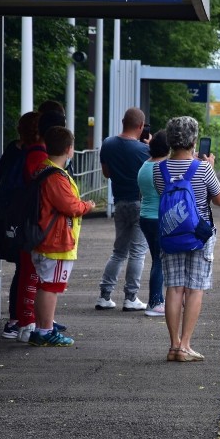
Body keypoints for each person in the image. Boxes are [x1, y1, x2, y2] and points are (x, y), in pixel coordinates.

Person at [153, 116, 220, 362]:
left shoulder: (158, 168)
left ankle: (173, 346)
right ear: (194, 140)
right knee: (194, 289)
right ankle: (185, 346)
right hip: (199, 235)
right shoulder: (203, 168)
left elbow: (163, 194)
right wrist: (210, 169)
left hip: (170, 233)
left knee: (173, 288)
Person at [29, 126, 97, 346]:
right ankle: (45, 330)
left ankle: (41, 327)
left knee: (45, 284)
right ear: (69, 149)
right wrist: (88, 205)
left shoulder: (42, 169)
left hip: (45, 240)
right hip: (56, 242)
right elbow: (70, 206)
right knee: (51, 286)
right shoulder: (56, 177)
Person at [15, 106, 69, 342]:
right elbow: (66, 203)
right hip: (43, 230)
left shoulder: (26, 154)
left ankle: (35, 322)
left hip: (34, 225)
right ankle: (30, 323)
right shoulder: (41, 159)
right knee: (39, 280)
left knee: (34, 276)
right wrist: (84, 206)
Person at [96, 107, 150, 311]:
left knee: (119, 251)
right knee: (137, 252)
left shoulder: (108, 144)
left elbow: (107, 173)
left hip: (119, 203)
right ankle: (131, 297)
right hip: (139, 203)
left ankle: (104, 295)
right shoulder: (144, 151)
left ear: (122, 121)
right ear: (141, 126)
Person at [0, 111, 41, 338]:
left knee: (22, 268)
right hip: (27, 220)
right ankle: (22, 320)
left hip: (12, 217)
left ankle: (20, 319)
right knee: (27, 270)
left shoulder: (13, 151)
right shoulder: (34, 155)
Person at [137, 130, 169, 317]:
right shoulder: (162, 168)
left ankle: (157, 300)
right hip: (159, 218)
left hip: (145, 217)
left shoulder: (145, 166)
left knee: (157, 259)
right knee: (159, 260)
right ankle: (155, 301)